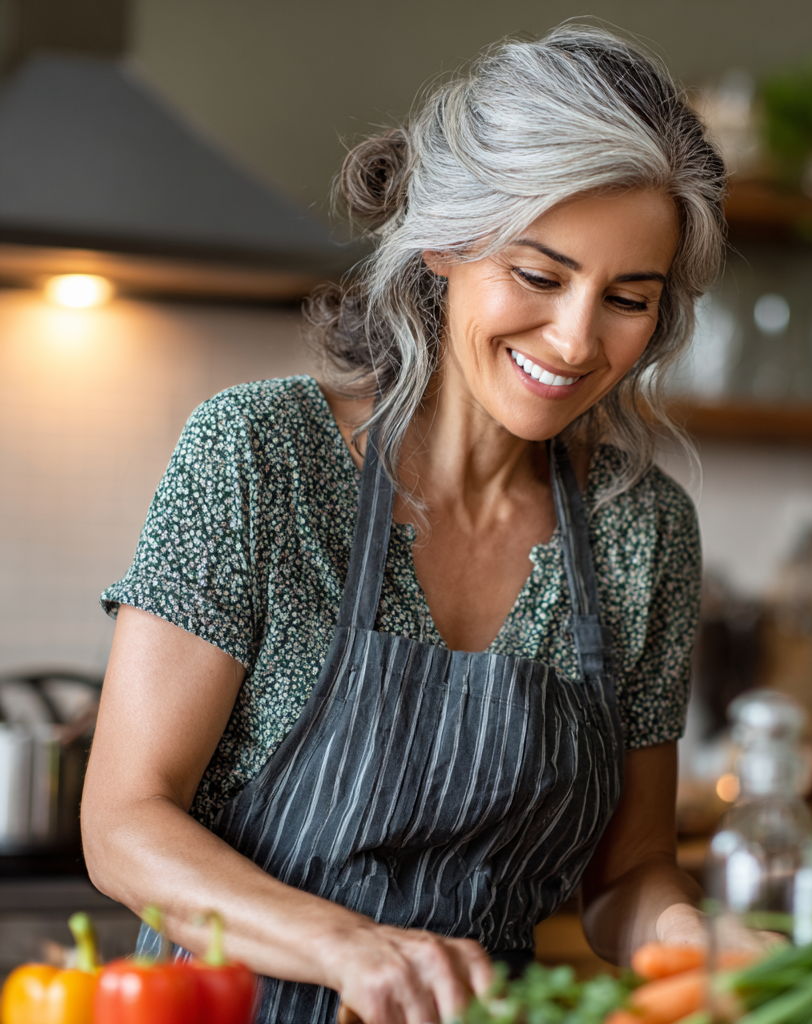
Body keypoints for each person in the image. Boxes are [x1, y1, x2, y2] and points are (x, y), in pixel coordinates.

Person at [81, 23, 726, 1024]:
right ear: (446, 242)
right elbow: (124, 822)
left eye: (627, 298)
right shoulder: (259, 457)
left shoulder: (642, 532)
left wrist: (699, 942)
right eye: (540, 276)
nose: (575, 338)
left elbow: (629, 872)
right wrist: (349, 949)